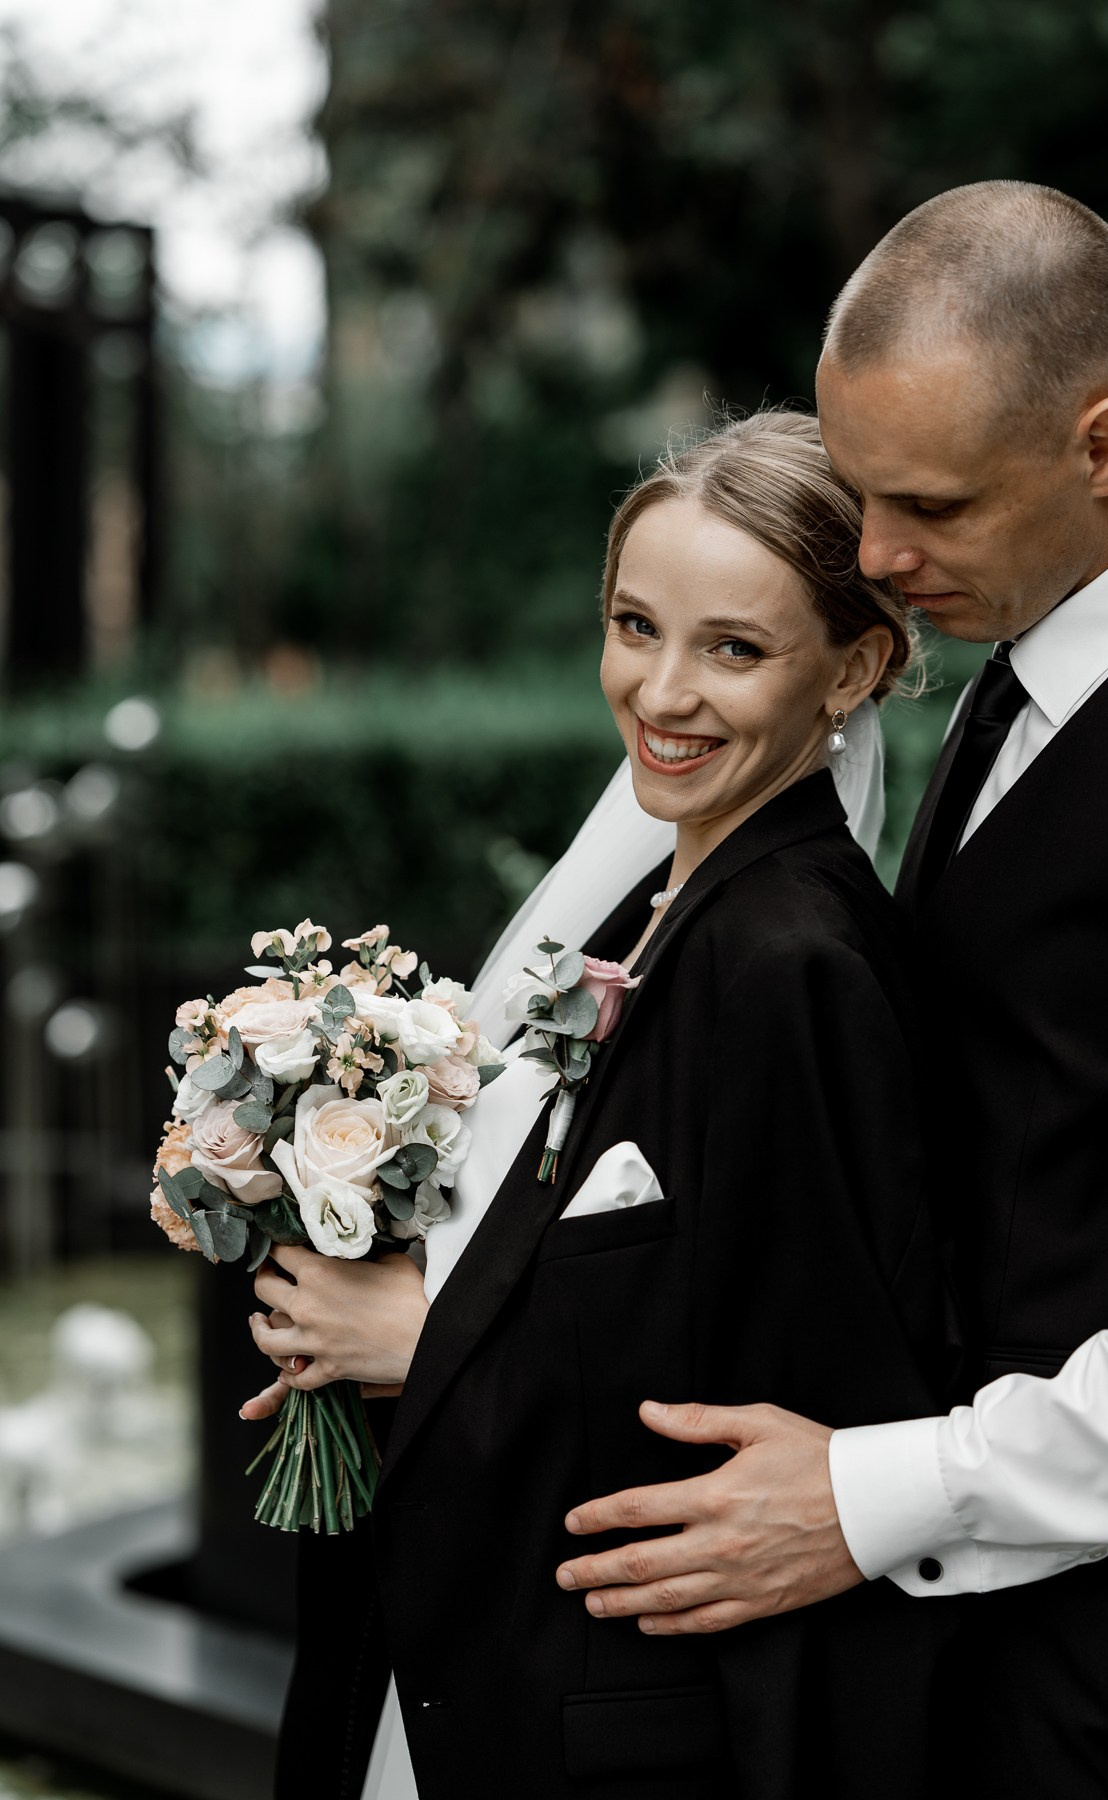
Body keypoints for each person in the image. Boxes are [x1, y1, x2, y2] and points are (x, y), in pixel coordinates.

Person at [553, 182, 1108, 1794]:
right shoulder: (1024, 661)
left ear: (1102, 446)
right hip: (994, 1650)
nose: (877, 561)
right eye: (856, 496)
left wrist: (886, 1490)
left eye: (930, 508)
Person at [245, 411, 959, 1798]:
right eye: (635, 627)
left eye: (732, 649)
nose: (661, 692)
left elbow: (794, 1421)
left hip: (618, 1731)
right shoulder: (651, 908)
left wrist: (425, 1340)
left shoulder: (791, 966)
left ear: (853, 668)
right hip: (468, 1654)